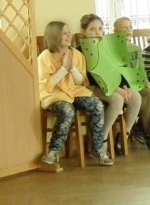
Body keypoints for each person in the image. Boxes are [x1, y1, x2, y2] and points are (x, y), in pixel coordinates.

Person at [38, 21, 113, 168]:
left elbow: (81, 82)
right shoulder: (44, 57)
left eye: (69, 32)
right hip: (54, 94)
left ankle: (98, 149)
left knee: (97, 105)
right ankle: (53, 152)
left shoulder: (77, 54)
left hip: (74, 91)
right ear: (54, 36)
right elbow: (47, 85)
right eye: (64, 33)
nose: (69, 35)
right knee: (67, 110)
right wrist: (63, 69)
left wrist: (72, 68)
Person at [78, 13, 141, 155]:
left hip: (111, 86)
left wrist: (124, 86)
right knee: (117, 99)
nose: (97, 32)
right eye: (92, 29)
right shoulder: (81, 50)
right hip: (91, 87)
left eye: (100, 29)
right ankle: (102, 139)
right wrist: (117, 90)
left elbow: (117, 69)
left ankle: (123, 135)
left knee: (135, 97)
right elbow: (94, 76)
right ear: (84, 32)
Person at [113, 17, 150, 149]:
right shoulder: (113, 49)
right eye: (124, 27)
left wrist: (146, 82)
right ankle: (149, 133)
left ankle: (140, 128)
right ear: (115, 31)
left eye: (130, 27)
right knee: (148, 95)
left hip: (137, 83)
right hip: (124, 86)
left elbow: (141, 70)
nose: (128, 30)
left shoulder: (135, 48)